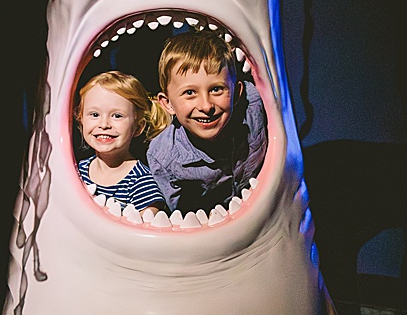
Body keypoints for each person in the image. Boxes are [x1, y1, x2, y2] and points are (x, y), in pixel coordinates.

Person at [147, 30, 267, 215]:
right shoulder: (163, 156)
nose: (206, 106)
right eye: (189, 93)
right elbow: (176, 218)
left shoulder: (257, 104)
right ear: (168, 103)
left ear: (237, 93)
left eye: (217, 89)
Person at [74, 71, 167, 213]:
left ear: (138, 127)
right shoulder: (77, 171)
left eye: (117, 116)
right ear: (81, 119)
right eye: (95, 115)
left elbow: (147, 226)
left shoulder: (141, 182)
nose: (104, 124)